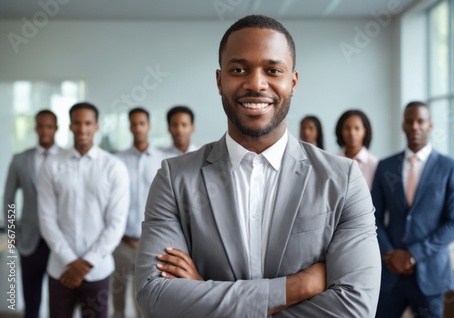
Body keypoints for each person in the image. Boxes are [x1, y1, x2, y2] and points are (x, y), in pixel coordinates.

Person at [135, 15, 381, 317]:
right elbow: (156, 297)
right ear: (219, 80)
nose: (255, 83)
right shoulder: (174, 179)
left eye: (273, 70)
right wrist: (297, 286)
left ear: (292, 82)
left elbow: (355, 308)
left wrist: (202, 290)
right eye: (239, 69)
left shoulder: (342, 179)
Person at [371, 101, 454, 318]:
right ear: (403, 125)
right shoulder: (385, 167)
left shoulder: (450, 168)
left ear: (430, 125)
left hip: (430, 274)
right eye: (409, 121)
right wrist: (390, 254)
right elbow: (372, 217)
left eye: (420, 121)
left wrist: (413, 255)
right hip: (390, 273)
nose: (414, 126)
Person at [37, 102, 129, 318]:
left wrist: (86, 264)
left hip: (98, 270)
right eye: (77, 123)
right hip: (61, 270)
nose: (82, 128)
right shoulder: (51, 165)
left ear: (96, 126)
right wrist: (71, 261)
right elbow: (47, 220)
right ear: (70, 126)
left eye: (88, 123)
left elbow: (116, 223)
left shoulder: (114, 167)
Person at [3, 110, 60, 318]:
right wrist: (12, 235)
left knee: (60, 301)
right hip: (30, 240)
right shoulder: (20, 160)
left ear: (56, 128)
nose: (44, 131)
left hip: (60, 240)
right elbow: (8, 200)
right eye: (41, 126)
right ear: (35, 128)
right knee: (32, 299)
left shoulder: (67, 158)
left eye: (49, 126)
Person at [112, 107, 164, 318]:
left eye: (142, 123)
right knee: (117, 300)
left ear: (148, 126)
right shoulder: (117, 160)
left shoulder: (163, 160)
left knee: (145, 302)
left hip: (150, 244)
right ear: (129, 127)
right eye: (133, 124)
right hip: (121, 242)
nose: (138, 128)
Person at [335, 109, 378, 188]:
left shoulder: (374, 164)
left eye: (357, 128)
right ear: (341, 131)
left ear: (365, 131)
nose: (352, 133)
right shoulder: (333, 161)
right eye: (347, 128)